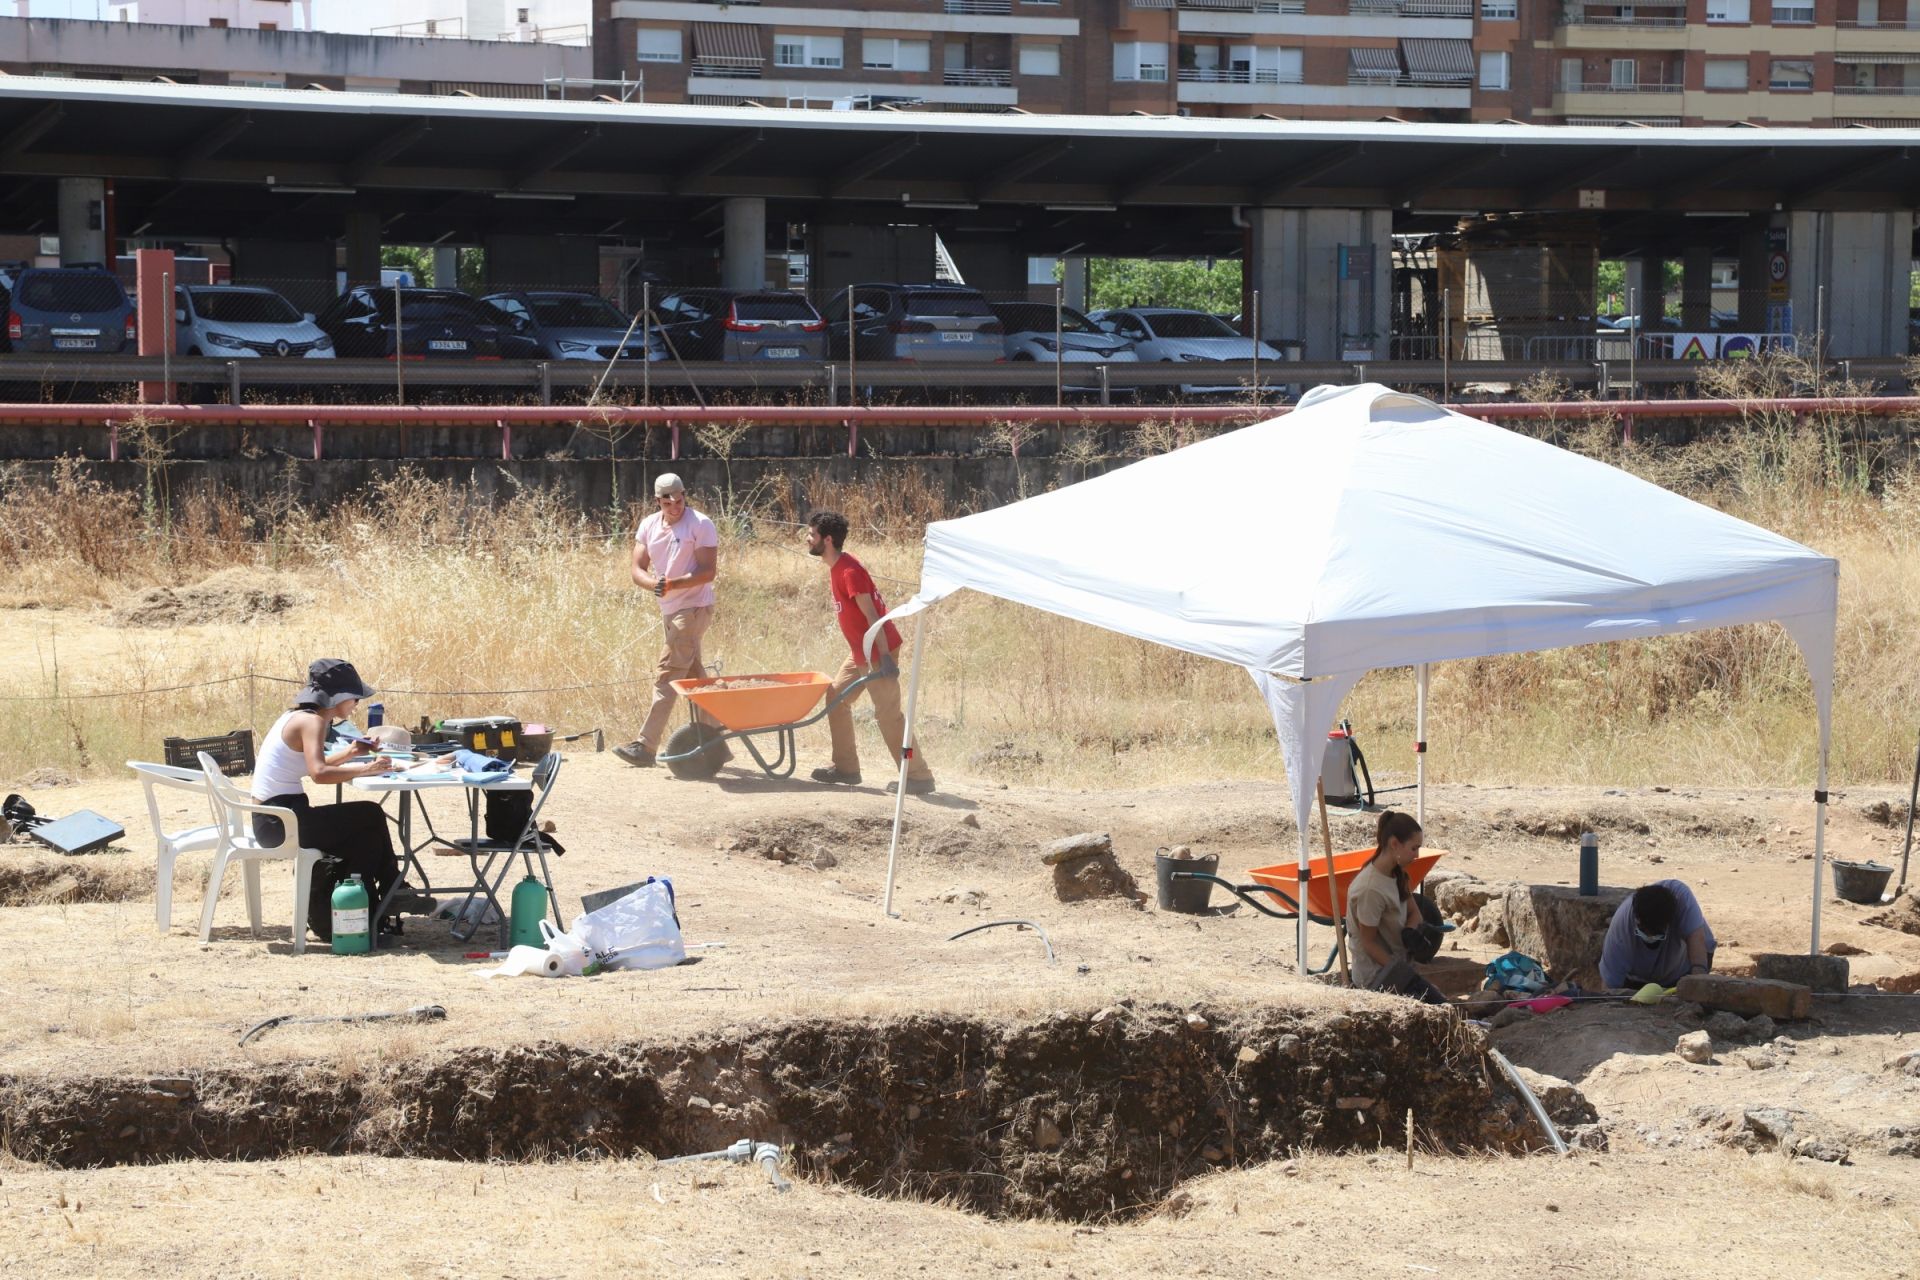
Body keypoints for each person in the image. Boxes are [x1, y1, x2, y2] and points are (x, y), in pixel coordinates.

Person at [249, 658, 429, 931]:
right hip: (281, 821)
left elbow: (313, 764)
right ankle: (395, 888)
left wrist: (351, 753)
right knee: (370, 812)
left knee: (367, 838)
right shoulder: (313, 722)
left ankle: (367, 913)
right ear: (340, 697)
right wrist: (366, 769)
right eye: (355, 698)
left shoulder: (297, 716)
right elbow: (318, 773)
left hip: (273, 818)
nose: (357, 704)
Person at [803, 509, 935, 795]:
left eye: (811, 534)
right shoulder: (836, 567)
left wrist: (885, 657)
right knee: (836, 697)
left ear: (826, 540)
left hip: (878, 648)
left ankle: (918, 776)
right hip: (861, 651)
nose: (806, 538)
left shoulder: (849, 571)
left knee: (888, 715)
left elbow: (873, 614)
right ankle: (846, 768)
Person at [615, 473, 724, 768]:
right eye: (668, 502)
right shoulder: (649, 525)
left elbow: (707, 571)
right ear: (658, 501)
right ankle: (717, 742)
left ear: (684, 494)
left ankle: (645, 746)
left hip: (693, 609)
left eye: (679, 500)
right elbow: (637, 568)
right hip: (670, 608)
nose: (675, 506)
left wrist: (673, 583)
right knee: (695, 677)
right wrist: (654, 584)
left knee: (667, 674)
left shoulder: (700, 524)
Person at [1344, 810, 1448, 1004]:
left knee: (1442, 1005)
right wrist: (1405, 974)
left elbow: (1415, 912)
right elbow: (1369, 943)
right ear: (1394, 844)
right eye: (1413, 848)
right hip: (1376, 977)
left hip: (1396, 967)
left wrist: (1410, 931)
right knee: (1438, 1009)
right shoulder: (1370, 889)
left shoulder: (1395, 873)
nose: (1417, 855)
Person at [1599, 880, 1716, 990]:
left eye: (1658, 935)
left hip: (1681, 971)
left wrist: (1698, 982)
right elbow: (1610, 985)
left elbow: (1697, 941)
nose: (1650, 938)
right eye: (1643, 931)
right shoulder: (1621, 926)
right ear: (1637, 920)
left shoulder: (1682, 899)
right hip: (1639, 980)